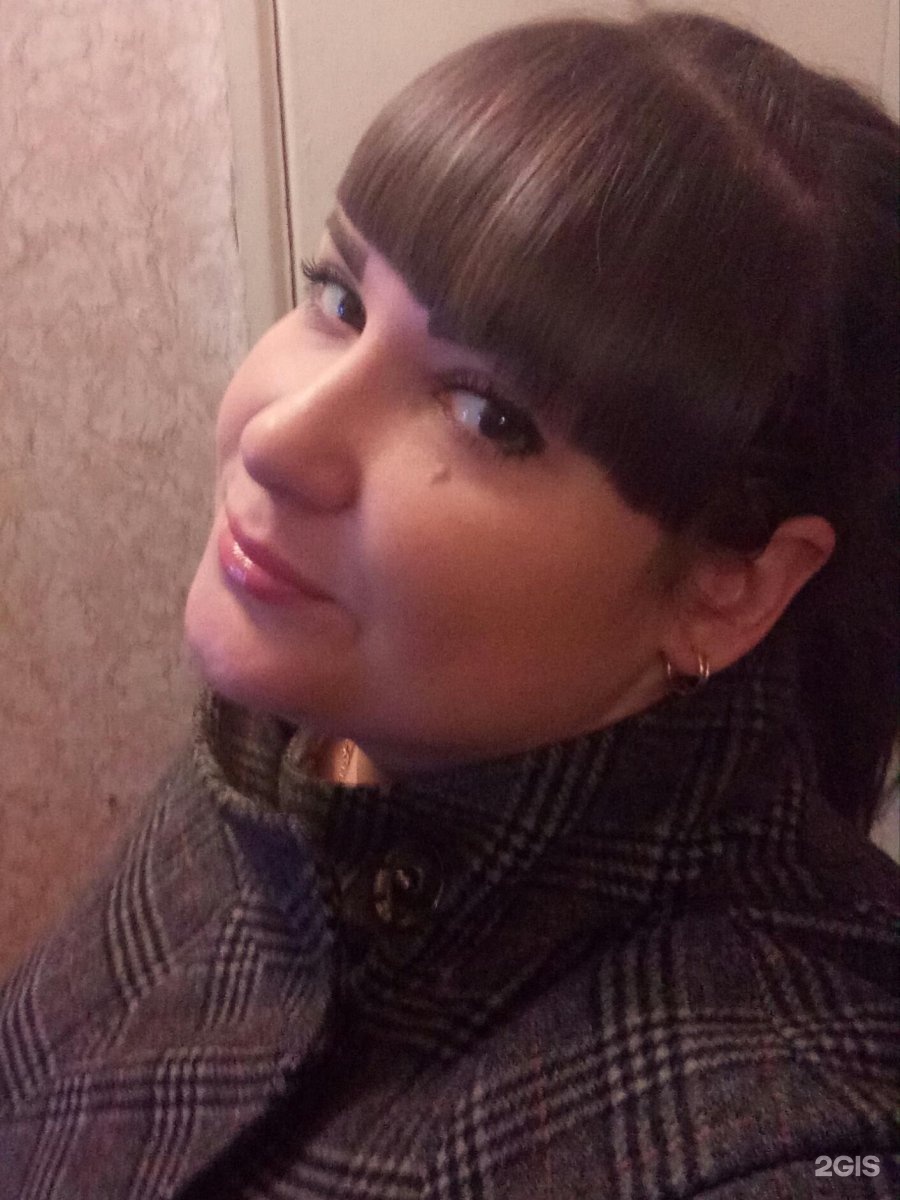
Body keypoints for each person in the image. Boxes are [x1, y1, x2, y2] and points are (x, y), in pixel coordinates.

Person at [1, 10, 897, 1198]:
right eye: (338, 298)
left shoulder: (788, 1142)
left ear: (729, 588)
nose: (276, 439)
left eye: (488, 415)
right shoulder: (299, 739)